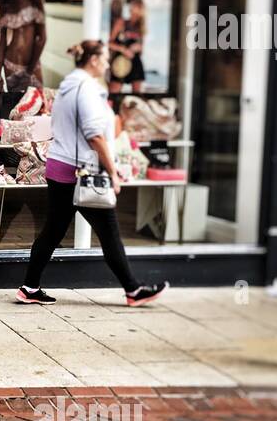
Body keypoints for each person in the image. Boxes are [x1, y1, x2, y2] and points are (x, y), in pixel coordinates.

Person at [17, 40, 168, 307]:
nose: (109, 63)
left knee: (53, 230)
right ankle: (133, 290)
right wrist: (113, 172)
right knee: (108, 231)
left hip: (60, 165)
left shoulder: (69, 84)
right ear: (94, 60)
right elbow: (94, 136)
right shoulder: (86, 89)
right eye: (106, 58)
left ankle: (29, 287)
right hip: (80, 172)